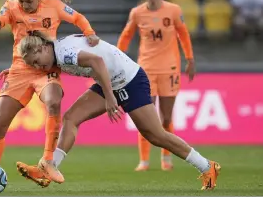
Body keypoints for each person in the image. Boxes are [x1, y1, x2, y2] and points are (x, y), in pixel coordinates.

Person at [16, 31, 221, 191]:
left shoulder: (63, 53)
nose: (38, 66)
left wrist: (110, 96)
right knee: (71, 118)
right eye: (33, 65)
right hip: (111, 81)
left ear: (43, 47)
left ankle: (207, 166)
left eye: (36, 60)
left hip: (129, 80)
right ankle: (49, 168)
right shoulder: (56, 51)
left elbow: (98, 62)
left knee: (156, 135)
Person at [0, 0, 99, 191]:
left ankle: (48, 160)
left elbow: (78, 18)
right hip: (19, 70)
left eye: (29, 1)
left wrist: (89, 33)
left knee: (54, 102)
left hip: (46, 68)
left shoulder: (53, 6)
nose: (24, 5)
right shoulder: (11, 7)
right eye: (21, 1)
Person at [117, 0, 196, 172]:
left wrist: (189, 59)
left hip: (169, 68)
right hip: (145, 70)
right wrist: (117, 60)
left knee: (166, 118)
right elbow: (125, 37)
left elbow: (183, 35)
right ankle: (144, 161)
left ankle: (166, 158)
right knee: (145, 119)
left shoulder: (173, 10)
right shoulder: (137, 13)